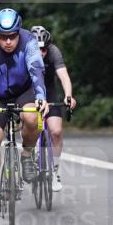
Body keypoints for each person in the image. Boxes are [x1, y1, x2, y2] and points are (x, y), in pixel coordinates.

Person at [0, 8, 49, 219]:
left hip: (24, 90)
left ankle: (26, 154)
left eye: (12, 36)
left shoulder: (29, 40)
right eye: (3, 37)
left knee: (32, 117)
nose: (8, 42)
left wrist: (41, 95)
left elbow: (36, 68)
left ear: (19, 32)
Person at [29, 26, 76, 192]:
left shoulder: (54, 52)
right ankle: (31, 153)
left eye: (43, 49)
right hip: (29, 92)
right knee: (30, 123)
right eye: (37, 49)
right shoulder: (22, 54)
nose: (40, 53)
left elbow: (63, 76)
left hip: (49, 90)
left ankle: (55, 171)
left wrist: (68, 96)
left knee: (55, 131)